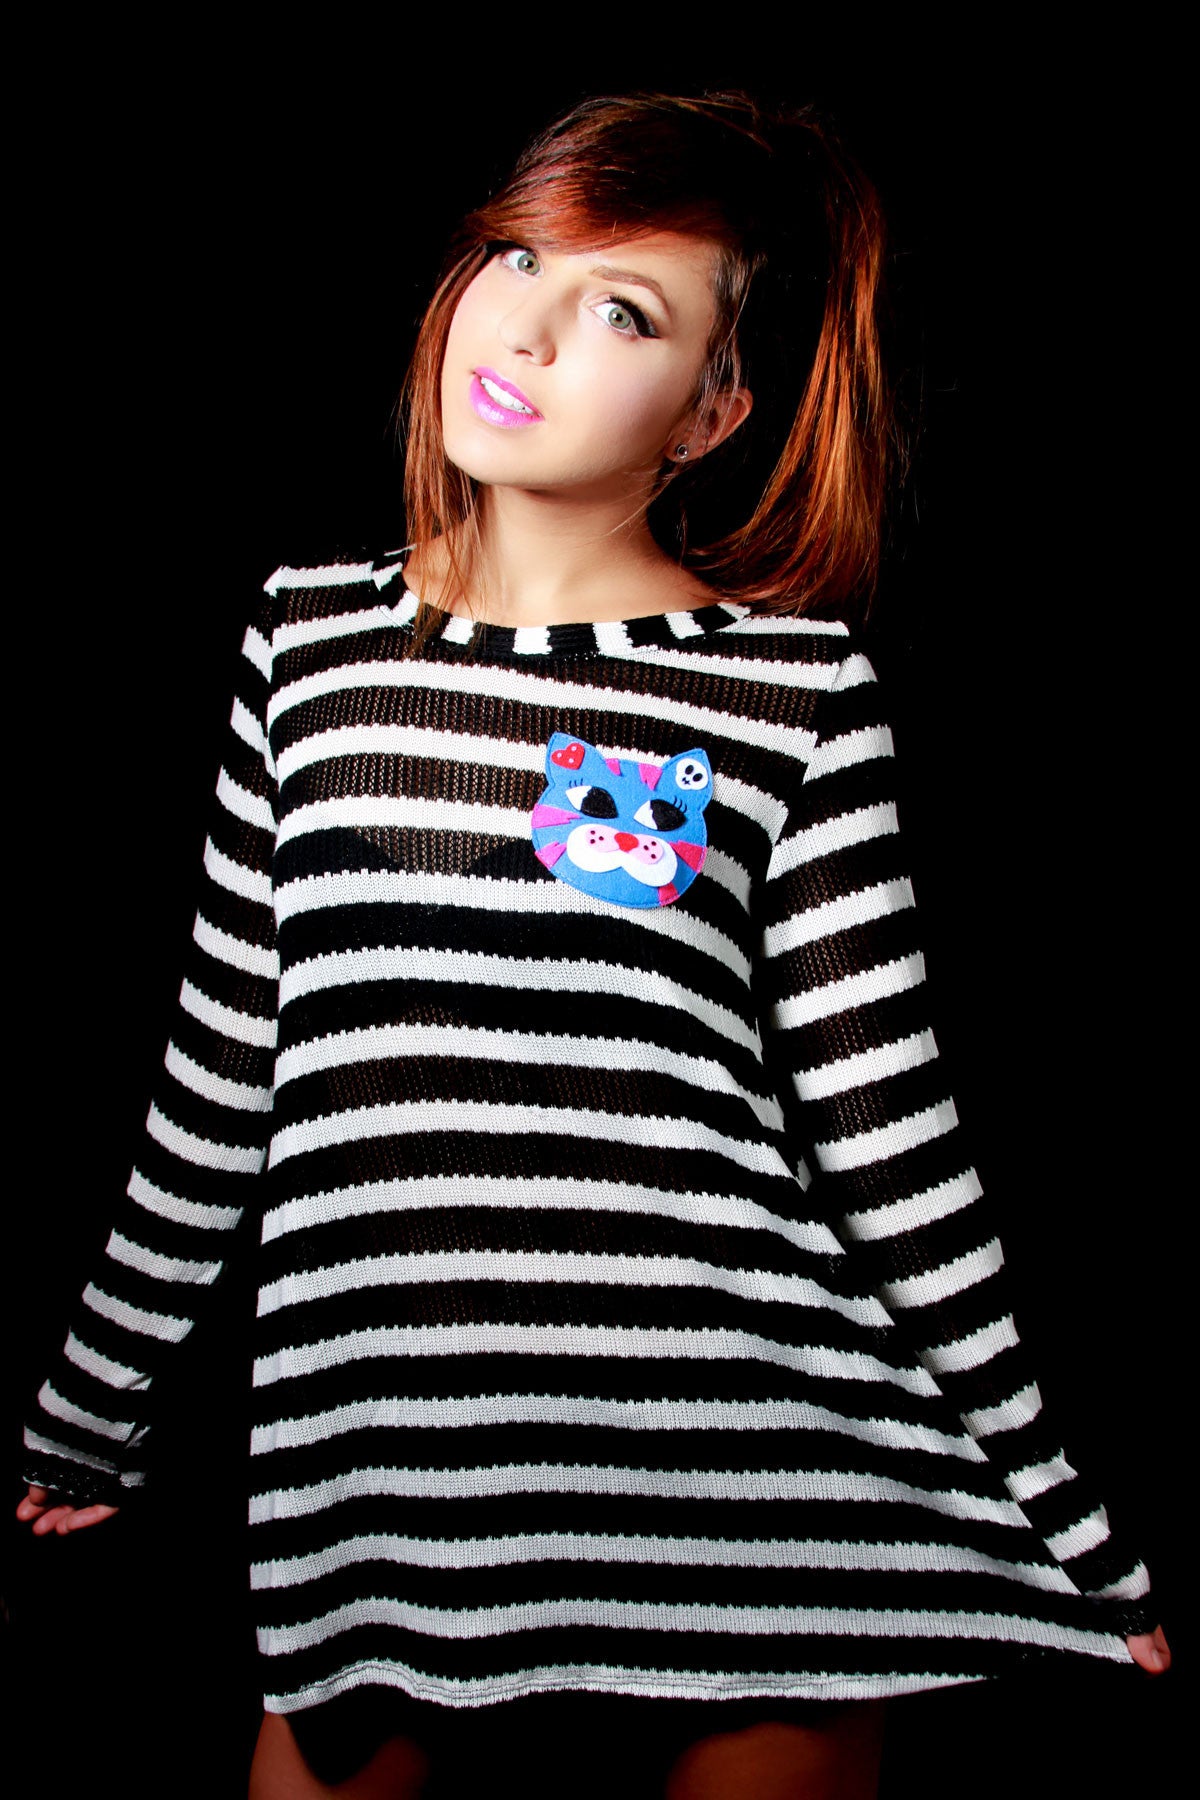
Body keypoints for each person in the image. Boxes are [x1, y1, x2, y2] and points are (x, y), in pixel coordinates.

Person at [17, 90, 1170, 1799]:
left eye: (623, 310)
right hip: (384, 1486)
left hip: (752, 1488)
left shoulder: (792, 691)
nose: (527, 329)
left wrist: (1063, 1513)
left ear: (711, 411)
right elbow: (221, 1078)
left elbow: (890, 1147)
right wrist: (93, 1404)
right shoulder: (305, 640)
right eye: (516, 260)